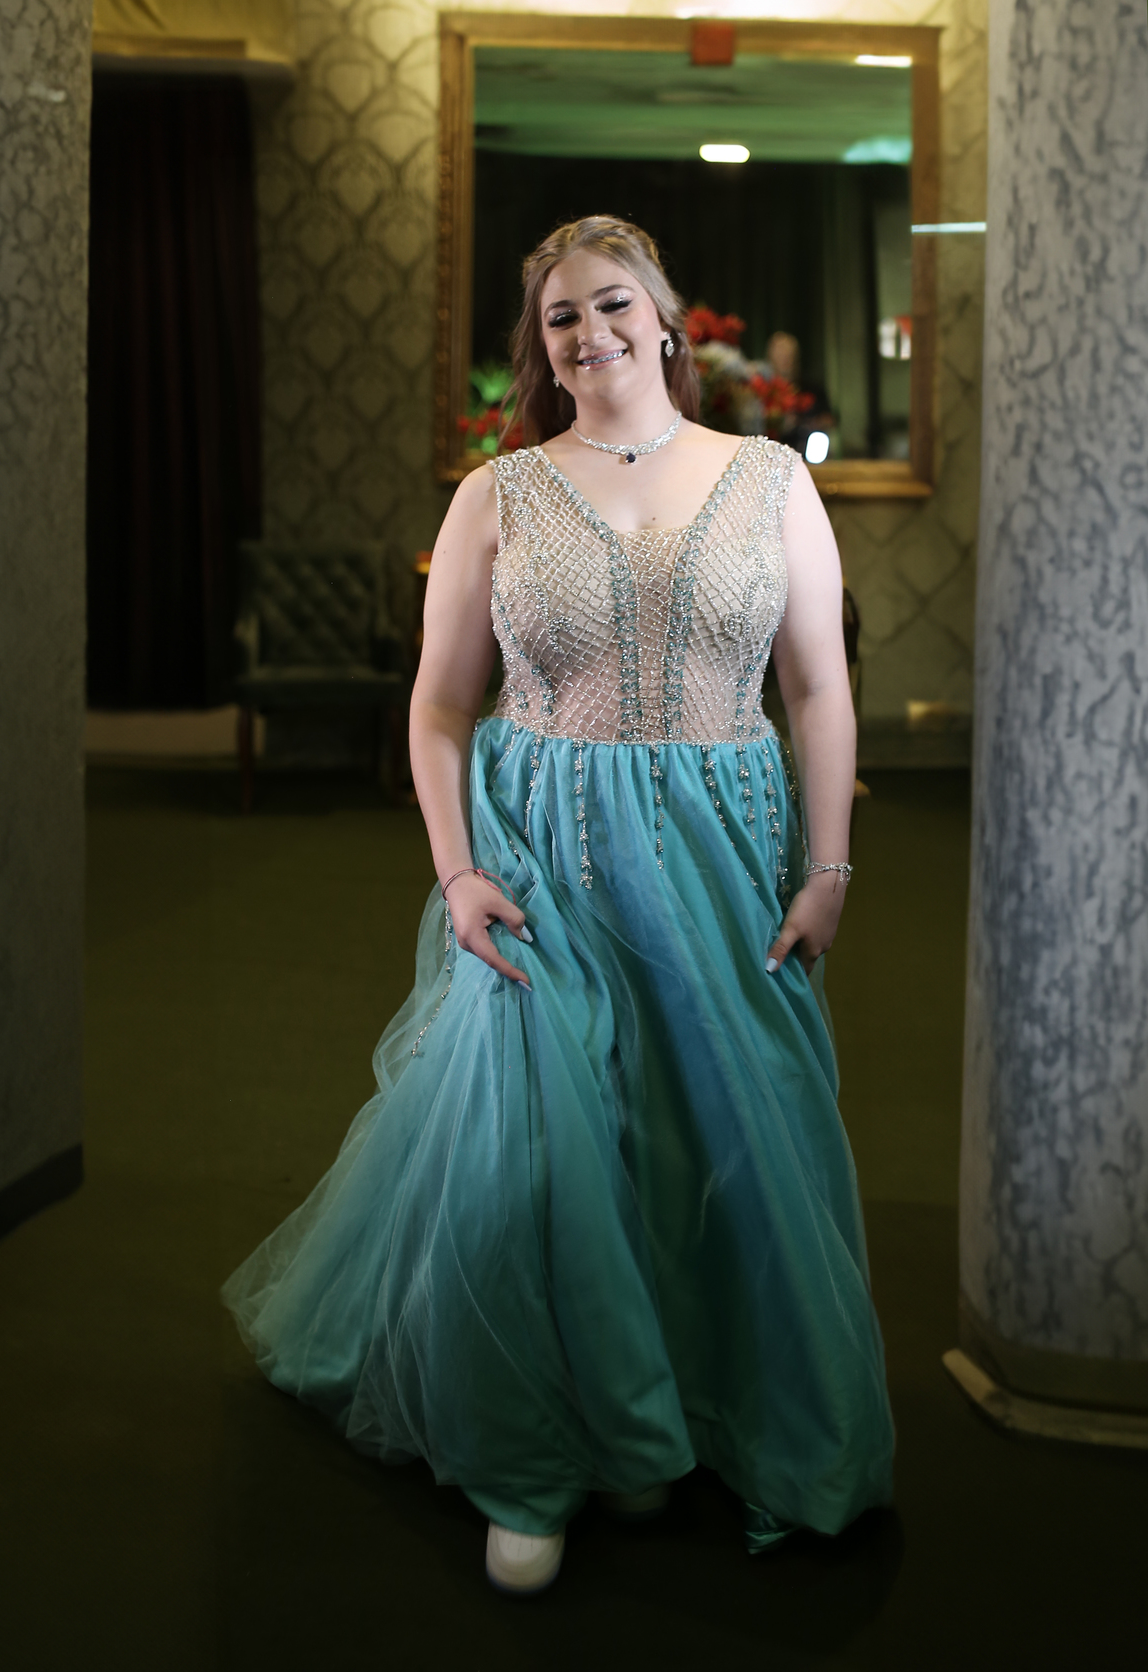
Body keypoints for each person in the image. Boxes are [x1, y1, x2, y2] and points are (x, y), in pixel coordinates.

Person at [223, 216, 894, 1596]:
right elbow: (437, 708)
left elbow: (819, 688)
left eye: (612, 303)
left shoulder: (771, 480)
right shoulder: (499, 494)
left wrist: (827, 869)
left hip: (724, 855)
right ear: (541, 346)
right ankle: (546, 1447)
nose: (590, 333)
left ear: (667, 317)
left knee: (717, 1132)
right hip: (544, 858)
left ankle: (689, 1407)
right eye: (560, 317)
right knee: (547, 1144)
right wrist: (457, 869)